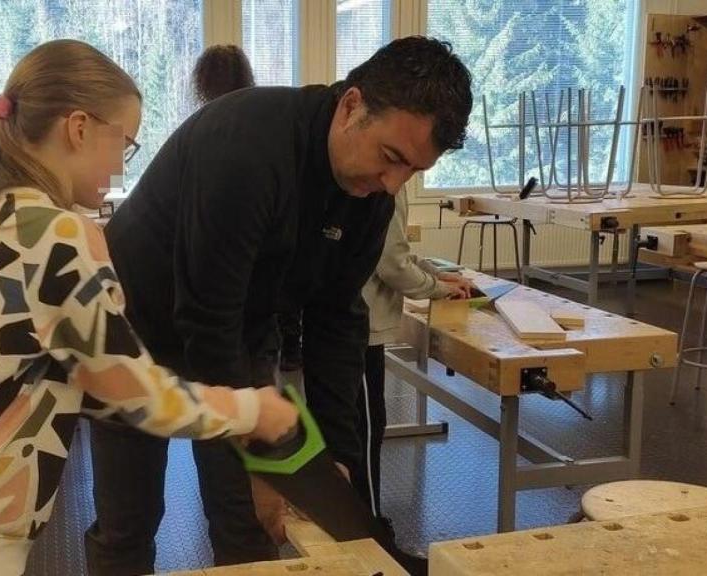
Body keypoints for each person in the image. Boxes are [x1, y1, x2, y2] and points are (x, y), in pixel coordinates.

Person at [0, 39, 298, 576]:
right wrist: (251, 410)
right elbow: (137, 399)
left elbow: (96, 390)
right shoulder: (56, 235)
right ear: (79, 128)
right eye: (123, 143)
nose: (120, 167)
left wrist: (212, 414)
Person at [86, 36, 472, 575]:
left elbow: (337, 322)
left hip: (239, 325)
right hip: (136, 333)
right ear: (351, 105)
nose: (393, 183)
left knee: (246, 523)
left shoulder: (371, 194)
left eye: (412, 170)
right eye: (391, 158)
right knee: (131, 522)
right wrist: (264, 470)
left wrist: (336, 458)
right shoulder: (245, 148)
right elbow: (206, 323)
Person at [354, 188, 473, 525]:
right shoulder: (384, 182)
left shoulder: (382, 173)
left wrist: (434, 273)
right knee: (363, 432)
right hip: (358, 329)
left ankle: (358, 520)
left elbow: (395, 253)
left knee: (360, 428)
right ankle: (367, 526)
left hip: (352, 325)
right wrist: (438, 287)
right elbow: (391, 264)